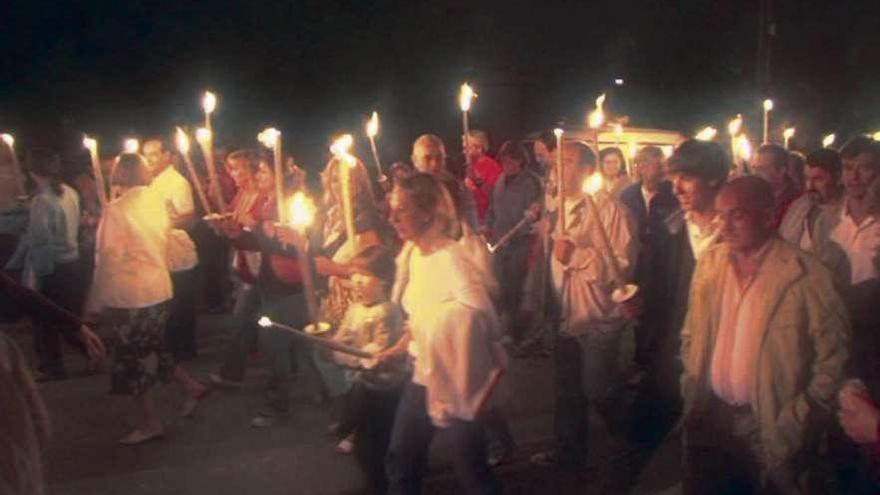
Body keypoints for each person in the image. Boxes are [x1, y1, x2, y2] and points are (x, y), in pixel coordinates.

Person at [680, 176, 849, 494]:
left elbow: (833, 361)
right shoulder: (710, 264)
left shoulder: (808, 277)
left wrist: (797, 419)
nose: (725, 226)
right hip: (710, 417)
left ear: (770, 216)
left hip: (770, 427)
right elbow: (691, 331)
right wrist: (691, 377)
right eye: (721, 215)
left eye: (738, 215)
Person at [380, 172, 506, 495]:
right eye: (391, 209)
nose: (392, 218)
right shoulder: (413, 256)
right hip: (421, 374)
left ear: (426, 211)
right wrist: (398, 346)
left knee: (471, 473)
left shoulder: (451, 258)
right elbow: (419, 317)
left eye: (402, 209)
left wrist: (443, 332)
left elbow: (485, 319)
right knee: (401, 459)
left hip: (455, 380)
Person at [530, 140, 637, 470]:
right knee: (567, 391)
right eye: (556, 161)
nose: (558, 168)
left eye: (569, 161)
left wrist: (575, 256)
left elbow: (620, 268)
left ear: (588, 170)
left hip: (596, 317)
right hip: (565, 313)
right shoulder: (557, 207)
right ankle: (568, 451)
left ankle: (632, 433)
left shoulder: (613, 211)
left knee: (597, 388)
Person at [87, 153, 205, 444]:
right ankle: (191, 387)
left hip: (131, 295)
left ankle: (151, 423)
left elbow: (109, 258)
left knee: (132, 360)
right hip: (159, 288)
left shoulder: (116, 210)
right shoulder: (156, 202)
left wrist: (93, 301)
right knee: (152, 344)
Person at [328, 247, 405, 493]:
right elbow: (339, 344)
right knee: (364, 445)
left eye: (364, 276)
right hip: (361, 384)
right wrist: (328, 343)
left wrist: (345, 355)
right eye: (354, 275)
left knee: (377, 444)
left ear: (383, 281)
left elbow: (373, 357)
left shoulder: (386, 312)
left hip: (384, 390)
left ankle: (383, 483)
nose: (356, 282)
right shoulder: (355, 310)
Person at [141, 138, 207, 417]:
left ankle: (184, 354)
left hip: (178, 253)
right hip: (161, 253)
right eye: (147, 155)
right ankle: (178, 356)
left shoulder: (177, 182)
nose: (151, 159)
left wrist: (164, 221)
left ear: (167, 155)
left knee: (180, 307)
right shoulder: (153, 182)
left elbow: (188, 217)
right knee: (173, 308)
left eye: (155, 154)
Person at [5, 149, 82, 381]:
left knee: (43, 318)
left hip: (52, 266)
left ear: (31, 173)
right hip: (72, 262)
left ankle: (51, 366)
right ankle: (92, 355)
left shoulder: (42, 200)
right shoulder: (69, 192)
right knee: (69, 316)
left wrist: (36, 275)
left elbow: (41, 240)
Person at [208, 149, 269, 387]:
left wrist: (246, 224)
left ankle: (232, 373)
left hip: (261, 267)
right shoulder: (241, 194)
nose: (233, 174)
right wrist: (221, 224)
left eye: (238, 168)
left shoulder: (264, 197)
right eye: (230, 169)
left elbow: (265, 232)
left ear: (252, 169)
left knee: (241, 319)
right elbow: (232, 223)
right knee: (252, 319)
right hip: (243, 265)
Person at [618, 145, 679, 381]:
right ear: (642, 167)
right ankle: (641, 361)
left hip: (663, 264)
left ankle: (655, 363)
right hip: (636, 263)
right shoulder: (628, 196)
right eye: (656, 164)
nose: (662, 169)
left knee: (659, 312)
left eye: (663, 164)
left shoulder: (671, 195)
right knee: (638, 314)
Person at [485, 140, 543, 343]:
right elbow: (493, 208)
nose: (506, 165)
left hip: (520, 243)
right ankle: (505, 325)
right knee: (499, 285)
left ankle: (516, 332)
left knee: (515, 286)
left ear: (520, 160)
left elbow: (536, 215)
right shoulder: (500, 180)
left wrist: (520, 233)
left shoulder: (532, 182)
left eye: (511, 161)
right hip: (499, 242)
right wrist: (488, 226)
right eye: (504, 161)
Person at [778, 149, 847, 276]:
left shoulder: (849, 212)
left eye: (818, 179)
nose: (810, 186)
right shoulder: (799, 207)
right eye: (807, 179)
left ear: (837, 177)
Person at [411, 134, 479, 231]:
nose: (434, 164)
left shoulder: (458, 189)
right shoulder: (407, 193)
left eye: (439, 158)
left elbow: (471, 228)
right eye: (427, 158)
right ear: (415, 160)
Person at [752, 144, 800, 229]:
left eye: (762, 169)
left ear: (781, 171)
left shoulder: (797, 203)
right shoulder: (753, 197)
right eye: (754, 168)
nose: (755, 174)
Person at [464, 130, 502, 229]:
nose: (464, 151)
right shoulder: (467, 166)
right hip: (471, 219)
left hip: (485, 220)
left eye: (467, 147)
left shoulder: (492, 166)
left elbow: (495, 195)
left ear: (479, 148)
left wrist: (478, 181)